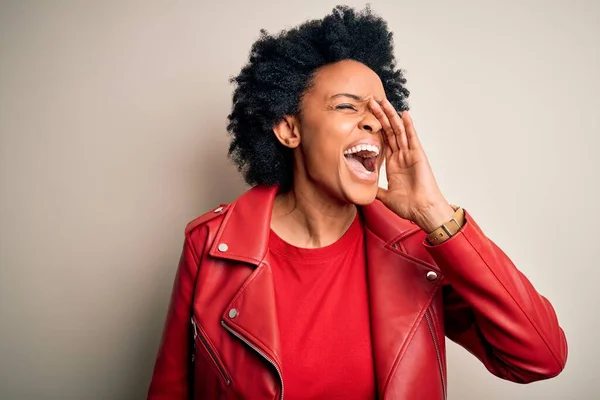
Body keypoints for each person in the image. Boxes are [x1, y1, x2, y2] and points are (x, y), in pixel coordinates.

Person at [147, 5, 567, 400]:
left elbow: (539, 357)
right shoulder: (211, 245)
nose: (372, 120)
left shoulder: (418, 250)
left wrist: (434, 212)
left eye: (380, 111)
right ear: (289, 129)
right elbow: (169, 390)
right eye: (346, 106)